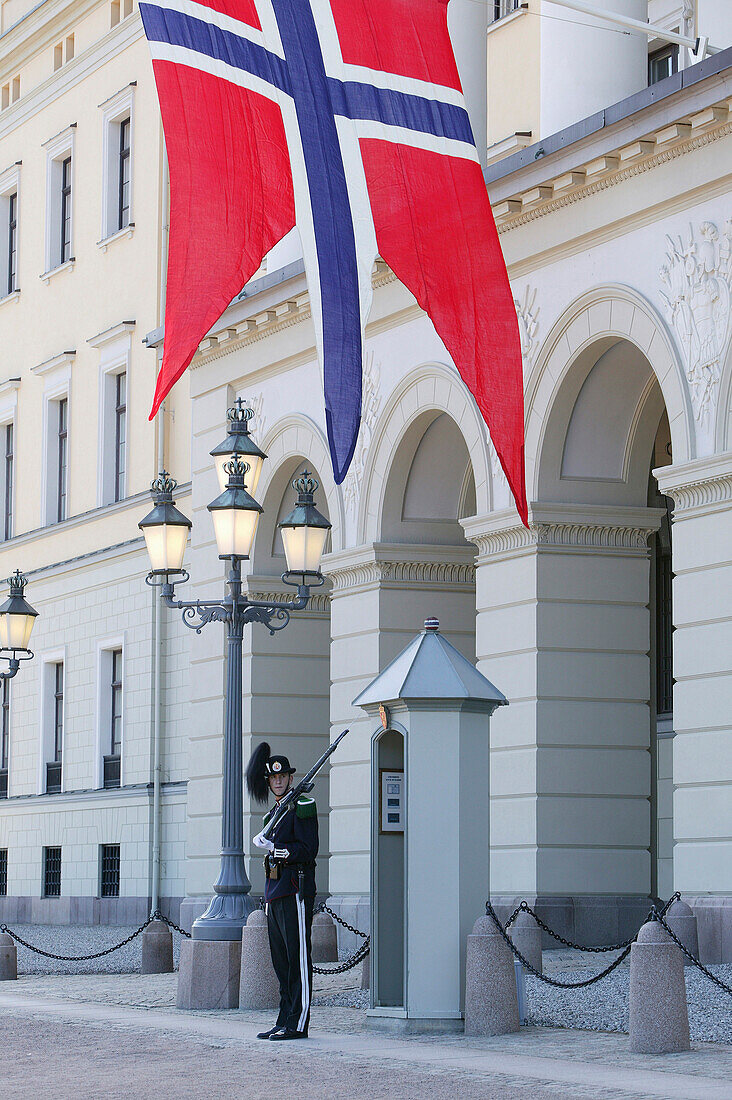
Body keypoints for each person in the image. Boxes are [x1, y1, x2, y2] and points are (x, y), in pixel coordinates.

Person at [246, 741, 318, 1041]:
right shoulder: (271, 817)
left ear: (290, 778)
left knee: (298, 958)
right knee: (281, 961)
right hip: (275, 893)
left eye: (282, 777)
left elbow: (308, 849)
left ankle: (298, 1022)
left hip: (295, 890)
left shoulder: (301, 806)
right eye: (273, 778)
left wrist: (277, 848)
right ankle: (284, 1017)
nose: (278, 781)